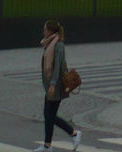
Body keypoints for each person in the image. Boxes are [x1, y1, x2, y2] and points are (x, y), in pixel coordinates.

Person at [37, 19, 81, 151]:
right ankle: (47, 145)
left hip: (55, 86)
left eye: (45, 29)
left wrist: (52, 84)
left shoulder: (58, 45)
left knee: (50, 116)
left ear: (50, 31)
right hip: (51, 85)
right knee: (49, 115)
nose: (43, 31)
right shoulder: (50, 43)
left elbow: (57, 67)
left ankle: (73, 133)